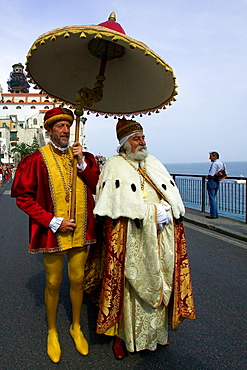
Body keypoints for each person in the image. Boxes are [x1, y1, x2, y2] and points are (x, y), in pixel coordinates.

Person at [92, 118, 195, 359]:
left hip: (160, 236)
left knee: (161, 280)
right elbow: (111, 209)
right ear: (125, 143)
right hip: (132, 238)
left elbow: (170, 198)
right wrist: (149, 214)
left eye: (143, 137)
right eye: (137, 139)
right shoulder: (114, 165)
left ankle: (157, 333)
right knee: (127, 287)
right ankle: (121, 336)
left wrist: (166, 212)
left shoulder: (154, 163)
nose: (142, 142)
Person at [11, 107, 100, 363]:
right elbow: (24, 198)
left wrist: (82, 164)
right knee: (52, 282)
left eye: (67, 126)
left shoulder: (85, 158)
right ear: (48, 130)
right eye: (59, 126)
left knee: (77, 279)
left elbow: (97, 187)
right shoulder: (36, 159)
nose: (64, 130)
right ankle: (52, 330)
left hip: (81, 230)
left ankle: (75, 326)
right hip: (53, 231)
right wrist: (51, 221)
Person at [206, 151, 225, 219]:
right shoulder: (221, 163)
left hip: (212, 181)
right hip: (217, 181)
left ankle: (213, 215)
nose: (209, 158)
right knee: (214, 197)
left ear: (215, 156)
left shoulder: (214, 164)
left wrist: (207, 177)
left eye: (210, 156)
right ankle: (215, 214)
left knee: (212, 198)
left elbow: (211, 174)